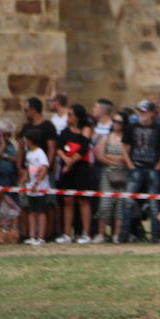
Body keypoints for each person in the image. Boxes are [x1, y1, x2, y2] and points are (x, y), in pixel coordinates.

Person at [121, 100, 160, 243]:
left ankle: (156, 235)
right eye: (140, 111)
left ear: (151, 113)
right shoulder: (131, 127)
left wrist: (159, 165)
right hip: (135, 168)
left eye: (144, 111)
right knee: (128, 201)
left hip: (152, 168)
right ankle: (124, 234)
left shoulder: (158, 128)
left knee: (154, 203)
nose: (141, 114)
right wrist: (130, 165)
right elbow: (125, 148)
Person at [55, 104, 94, 244]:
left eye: (70, 114)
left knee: (83, 200)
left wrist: (70, 162)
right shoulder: (65, 132)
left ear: (77, 116)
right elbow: (59, 147)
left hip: (81, 168)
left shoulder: (86, 129)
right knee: (67, 200)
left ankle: (85, 233)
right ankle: (66, 233)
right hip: (67, 168)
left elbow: (83, 148)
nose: (68, 117)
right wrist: (65, 160)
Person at [94, 112, 128, 243]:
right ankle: (101, 233)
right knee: (105, 204)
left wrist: (110, 157)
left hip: (123, 175)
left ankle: (116, 234)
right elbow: (100, 155)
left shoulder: (126, 139)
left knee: (120, 204)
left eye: (119, 122)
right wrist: (115, 160)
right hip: (107, 174)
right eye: (114, 121)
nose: (116, 124)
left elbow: (126, 158)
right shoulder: (106, 138)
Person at [19, 129, 49, 245]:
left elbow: (44, 168)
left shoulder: (40, 153)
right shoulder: (29, 154)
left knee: (40, 212)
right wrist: (23, 181)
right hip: (30, 187)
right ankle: (32, 236)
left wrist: (37, 183)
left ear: (31, 140)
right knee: (31, 211)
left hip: (39, 188)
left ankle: (41, 237)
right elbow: (28, 169)